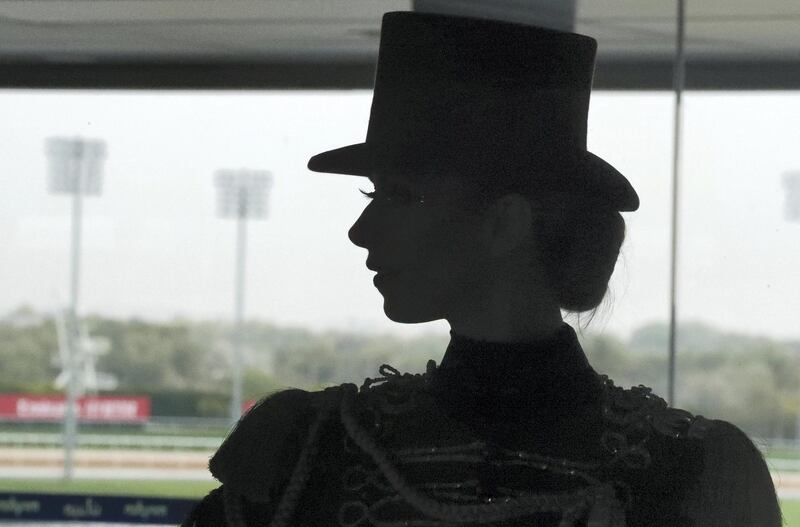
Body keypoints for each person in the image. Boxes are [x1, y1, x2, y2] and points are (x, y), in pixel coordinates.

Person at [182, 11, 782, 527]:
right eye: (373, 197)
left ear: (504, 223)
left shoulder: (699, 473)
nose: (361, 231)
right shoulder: (301, 448)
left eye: (398, 196)